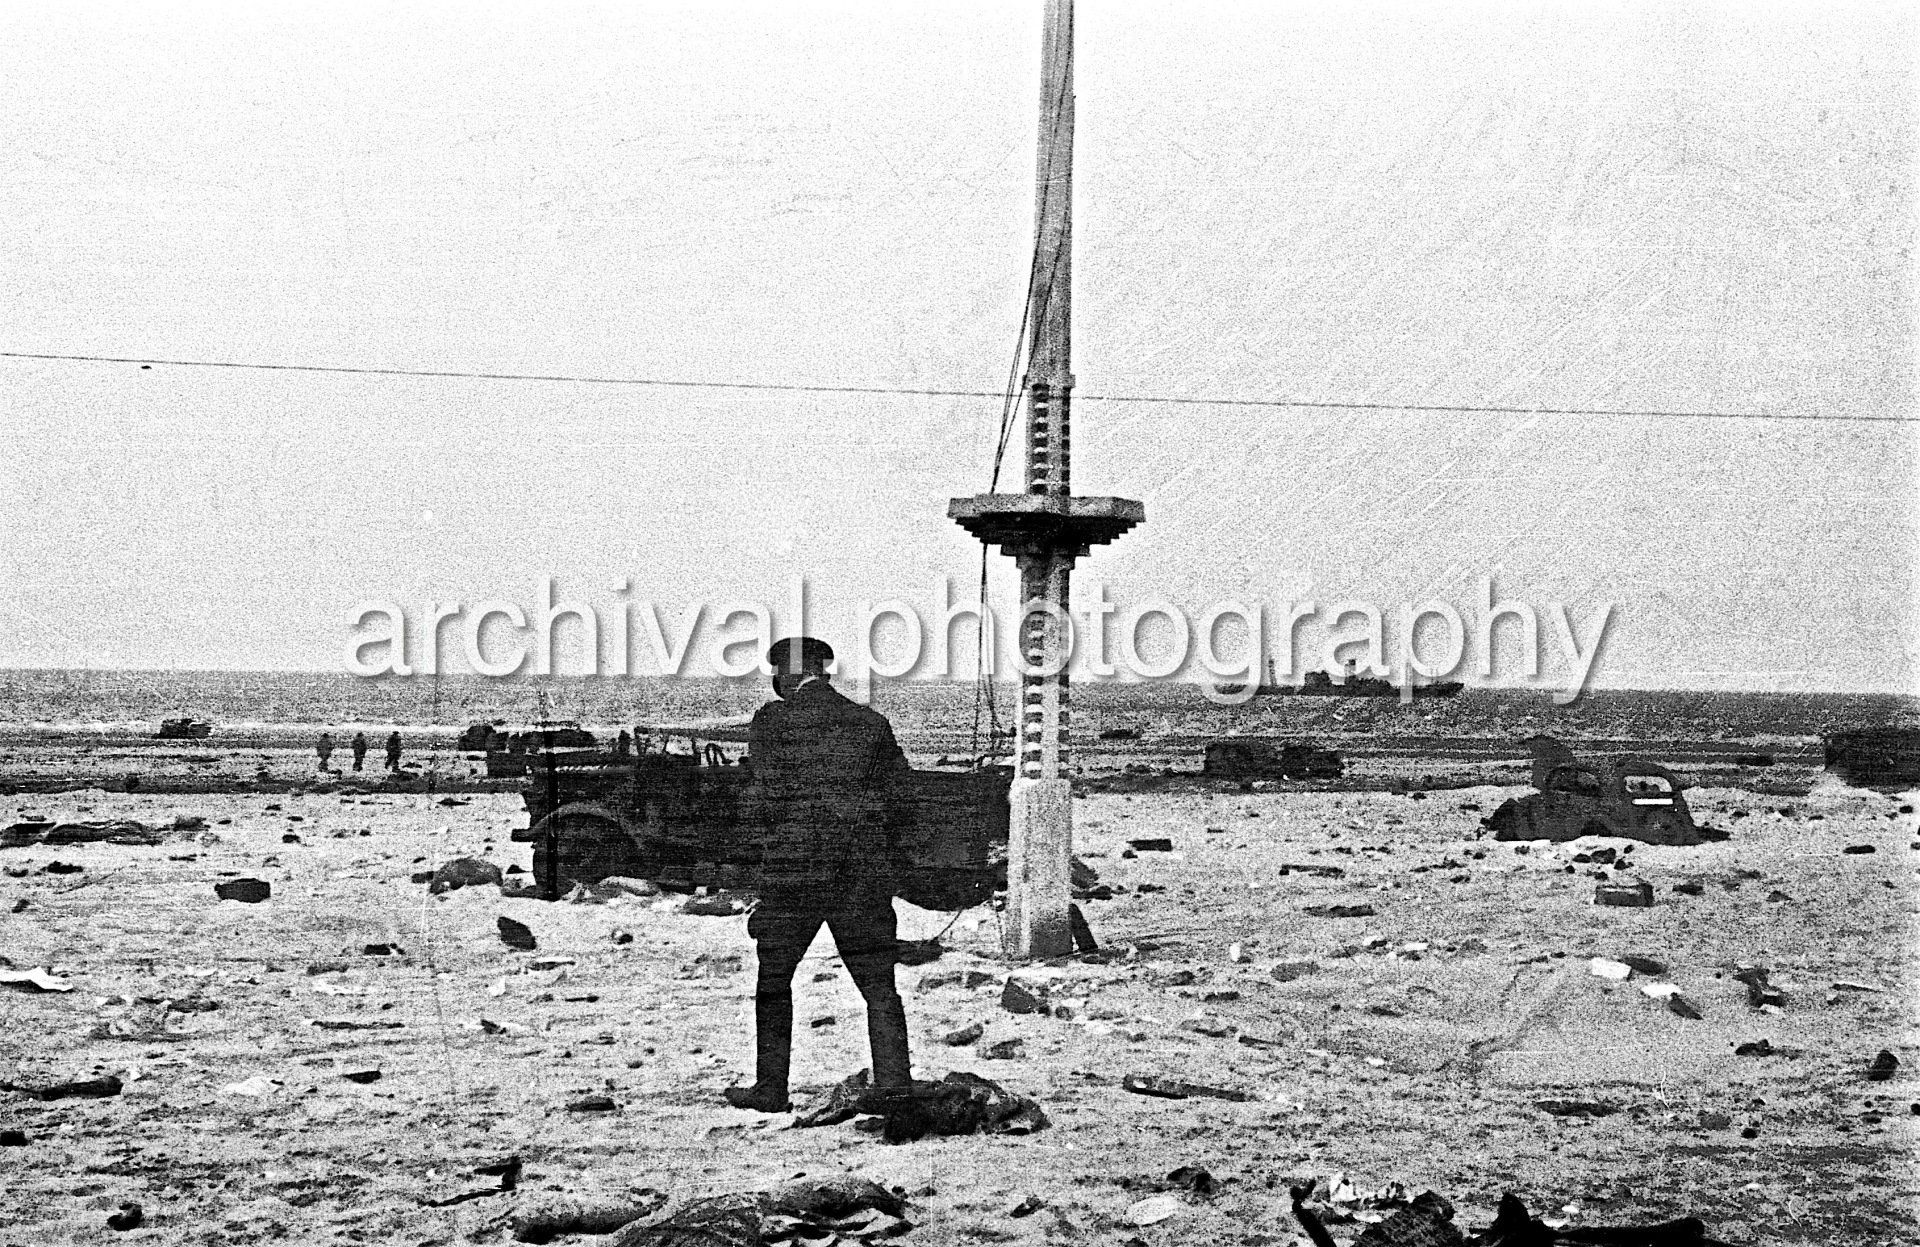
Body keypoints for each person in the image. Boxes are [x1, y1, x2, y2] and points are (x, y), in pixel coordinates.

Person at [724, 637, 914, 1114]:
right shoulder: (870, 723)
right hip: (860, 874)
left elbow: (760, 796)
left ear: (786, 675)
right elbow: (900, 796)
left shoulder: (773, 720)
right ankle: (893, 1086)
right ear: (822, 671)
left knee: (774, 980)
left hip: (795, 874)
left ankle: (771, 1090)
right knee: (878, 986)